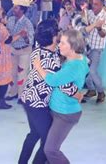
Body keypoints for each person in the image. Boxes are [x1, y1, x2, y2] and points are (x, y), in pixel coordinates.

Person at [19, 20, 81, 164]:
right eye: (58, 32)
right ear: (54, 36)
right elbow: (62, 83)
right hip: (37, 104)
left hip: (28, 99)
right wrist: (77, 93)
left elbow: (61, 52)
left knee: (34, 134)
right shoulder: (49, 60)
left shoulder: (38, 50)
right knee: (48, 144)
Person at [32, 29, 89, 164]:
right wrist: (74, 92)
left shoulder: (73, 66)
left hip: (64, 114)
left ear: (74, 46)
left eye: (63, 43)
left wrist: (38, 67)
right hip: (57, 109)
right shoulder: (78, 59)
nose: (59, 46)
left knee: (51, 150)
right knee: (47, 145)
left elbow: (52, 80)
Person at [6, 0, 35, 102]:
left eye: (16, 7)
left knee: (22, 73)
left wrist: (26, 36)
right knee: (12, 72)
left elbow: (31, 41)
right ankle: (12, 92)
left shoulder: (28, 23)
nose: (14, 9)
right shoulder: (11, 19)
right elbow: (8, 34)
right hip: (13, 49)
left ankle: (22, 96)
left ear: (22, 10)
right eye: (14, 6)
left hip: (24, 50)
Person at [83, 0, 106, 103]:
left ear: (102, 5)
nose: (93, 6)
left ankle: (101, 92)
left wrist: (98, 27)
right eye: (93, 3)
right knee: (85, 71)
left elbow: (103, 34)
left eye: (96, 4)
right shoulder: (89, 13)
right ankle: (91, 90)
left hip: (97, 48)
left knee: (92, 71)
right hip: (86, 46)